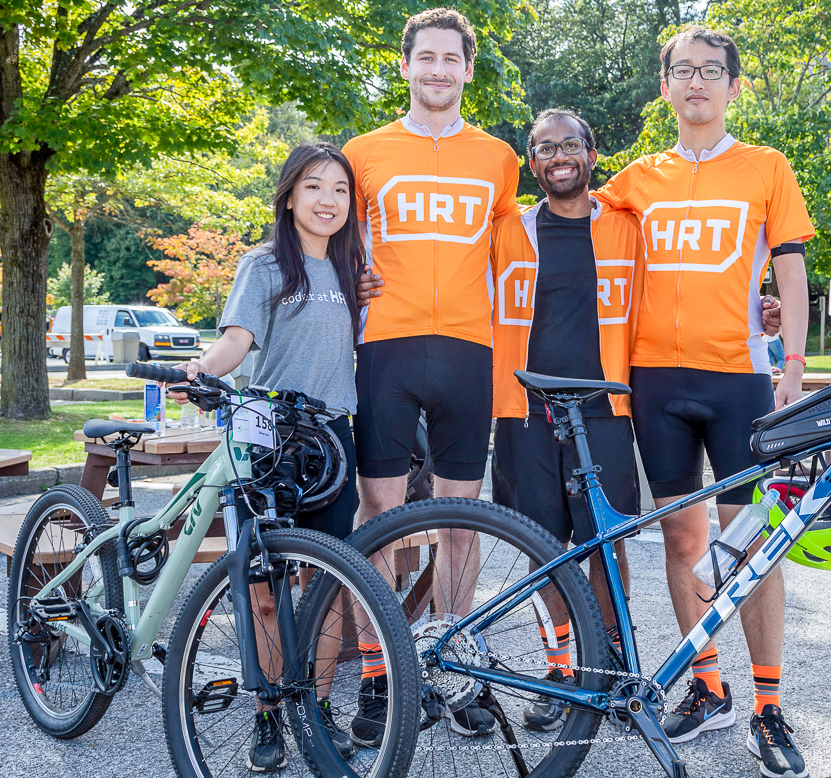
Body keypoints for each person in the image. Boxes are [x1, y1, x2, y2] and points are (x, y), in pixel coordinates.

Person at [594, 25, 814, 778]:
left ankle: (770, 703)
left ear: (733, 86)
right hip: (655, 381)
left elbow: (790, 269)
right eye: (682, 71)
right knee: (684, 542)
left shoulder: (766, 167)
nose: (696, 83)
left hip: (738, 380)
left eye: (711, 72)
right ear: (663, 87)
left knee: (753, 543)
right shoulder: (634, 179)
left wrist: (793, 361)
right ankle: (707, 683)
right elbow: (557, 225)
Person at [341, 7, 520, 740]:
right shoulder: (363, 152)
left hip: (467, 354)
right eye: (427, 58)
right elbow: (328, 236)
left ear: (468, 70)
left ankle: (458, 665)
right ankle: (380, 680)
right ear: (406, 65)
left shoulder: (499, 157)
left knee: (459, 521)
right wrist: (348, 278)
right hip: (384, 347)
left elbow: (520, 256)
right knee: (378, 518)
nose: (439, 70)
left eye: (452, 59)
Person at [168, 142, 363, 772]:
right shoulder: (264, 266)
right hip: (264, 433)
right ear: (288, 195)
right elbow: (236, 342)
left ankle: (319, 705)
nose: (328, 200)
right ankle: (269, 709)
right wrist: (202, 368)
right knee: (263, 588)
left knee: (327, 583)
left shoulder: (354, 268)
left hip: (330, 440)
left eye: (339, 189)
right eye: (313, 187)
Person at [488, 108, 643, 731]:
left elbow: (679, 293)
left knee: (608, 543)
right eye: (545, 147)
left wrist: (758, 314)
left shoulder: (627, 229)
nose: (559, 155)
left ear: (592, 154)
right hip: (525, 410)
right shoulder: (511, 230)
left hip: (605, 408)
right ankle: (558, 671)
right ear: (532, 163)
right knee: (543, 549)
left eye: (570, 144)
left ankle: (609, 669)